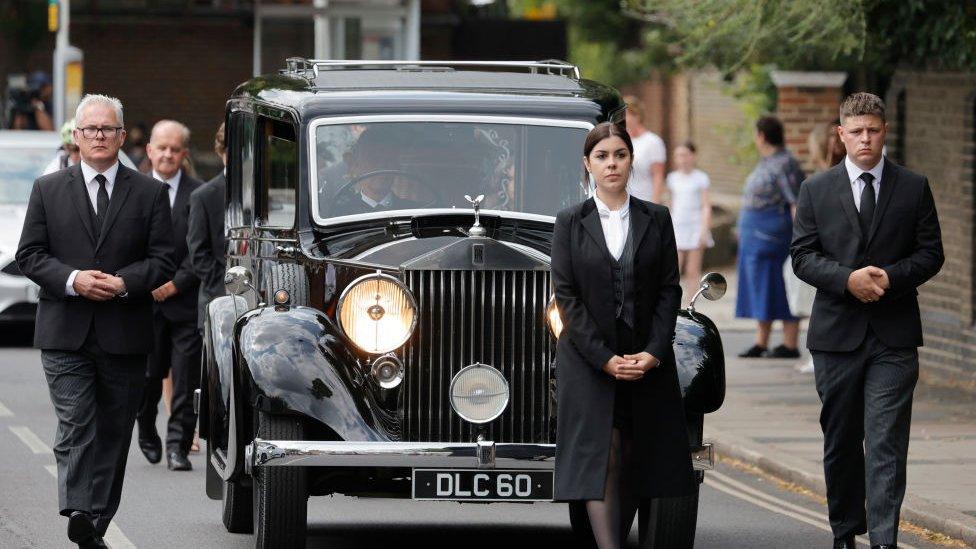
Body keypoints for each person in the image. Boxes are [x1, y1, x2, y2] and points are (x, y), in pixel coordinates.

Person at [15, 94, 174, 548]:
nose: (99, 136)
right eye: (91, 129)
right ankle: (79, 507)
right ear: (77, 137)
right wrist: (73, 279)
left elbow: (164, 259)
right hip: (65, 330)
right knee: (76, 422)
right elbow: (29, 255)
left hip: (124, 333)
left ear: (122, 136)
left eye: (108, 129)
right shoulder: (48, 189)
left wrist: (123, 283)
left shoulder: (149, 192)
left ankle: (95, 521)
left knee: (114, 430)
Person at [792, 92, 944, 549]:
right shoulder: (816, 190)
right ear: (841, 134)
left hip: (893, 336)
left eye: (872, 130)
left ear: (884, 131)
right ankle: (844, 532)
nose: (865, 139)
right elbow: (802, 256)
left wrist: (891, 278)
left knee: (885, 442)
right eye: (855, 131)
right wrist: (847, 280)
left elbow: (931, 252)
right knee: (841, 442)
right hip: (836, 337)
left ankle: (884, 539)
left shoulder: (913, 187)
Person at [551, 122, 694, 549]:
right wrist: (604, 359)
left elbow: (670, 289)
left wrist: (653, 352)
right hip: (590, 361)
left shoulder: (657, 218)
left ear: (632, 160)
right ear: (588, 165)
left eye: (619, 155)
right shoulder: (569, 222)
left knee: (636, 456)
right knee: (606, 453)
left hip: (645, 360)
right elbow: (566, 297)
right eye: (602, 156)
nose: (611, 163)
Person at [135, 120, 203, 472]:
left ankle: (178, 445)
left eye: (174, 149)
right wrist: (146, 283)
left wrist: (176, 283)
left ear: (184, 154)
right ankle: (146, 428)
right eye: (161, 147)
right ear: (149, 150)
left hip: (185, 302)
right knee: (149, 377)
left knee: (185, 378)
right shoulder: (134, 192)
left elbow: (204, 250)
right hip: (144, 302)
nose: (167, 155)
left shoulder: (199, 194)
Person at [735, 115, 805, 359]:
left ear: (761, 136)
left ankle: (789, 343)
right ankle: (761, 342)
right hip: (755, 237)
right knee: (760, 286)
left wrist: (801, 239)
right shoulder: (767, 161)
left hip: (774, 238)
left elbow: (796, 202)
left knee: (780, 285)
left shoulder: (785, 163)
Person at [187, 122, 227, 332]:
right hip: (217, 300)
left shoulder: (262, 193)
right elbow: (198, 252)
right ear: (222, 151)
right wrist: (225, 289)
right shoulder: (204, 196)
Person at [331, 128, 422, 216]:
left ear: (396, 166)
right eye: (373, 159)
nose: (381, 166)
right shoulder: (339, 215)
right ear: (356, 165)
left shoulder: (415, 212)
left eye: (389, 159)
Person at [666, 141, 713, 300]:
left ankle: (690, 304)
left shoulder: (701, 178)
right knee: (674, 268)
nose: (682, 159)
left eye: (685, 155)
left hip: (695, 226)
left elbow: (706, 205)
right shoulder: (672, 178)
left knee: (693, 270)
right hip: (677, 226)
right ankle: (673, 303)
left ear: (693, 156)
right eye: (679, 155)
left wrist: (704, 229)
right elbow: (670, 204)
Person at [623, 95, 666, 203]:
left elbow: (658, 176)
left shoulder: (652, 142)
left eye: (627, 115)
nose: (624, 119)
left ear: (637, 116)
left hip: (645, 202)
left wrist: (655, 206)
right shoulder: (622, 141)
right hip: (624, 203)